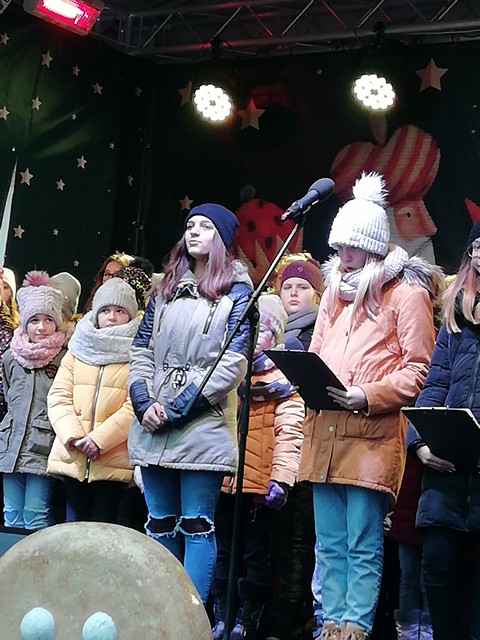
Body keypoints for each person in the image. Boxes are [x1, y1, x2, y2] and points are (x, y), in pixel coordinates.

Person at [297, 173, 444, 640]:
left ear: (374, 246)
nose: (344, 254)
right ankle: (330, 623)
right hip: (326, 433)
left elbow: (419, 369)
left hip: (370, 437)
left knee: (360, 543)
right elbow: (317, 352)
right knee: (328, 543)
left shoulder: (406, 293)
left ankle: (355, 627)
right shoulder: (333, 293)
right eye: (339, 245)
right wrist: (305, 377)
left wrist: (368, 395)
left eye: (354, 246)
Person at [128, 203, 253, 606]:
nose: (194, 231)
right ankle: (160, 613)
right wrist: (144, 402)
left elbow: (232, 363)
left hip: (202, 426)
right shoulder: (163, 291)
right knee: (159, 523)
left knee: (197, 524)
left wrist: (177, 408)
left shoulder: (238, 293)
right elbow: (141, 351)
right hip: (153, 425)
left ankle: (190, 618)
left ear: (224, 239)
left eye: (206, 226)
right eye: (190, 225)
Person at [211, 293, 305, 640]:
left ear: (275, 337)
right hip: (224, 481)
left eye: (263, 331)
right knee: (223, 550)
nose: (253, 338)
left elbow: (290, 432)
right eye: (247, 331)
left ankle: (248, 619)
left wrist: (281, 477)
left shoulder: (284, 382)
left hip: (259, 486)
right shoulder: (226, 375)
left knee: (256, 555)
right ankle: (222, 612)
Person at [406, 220, 480, 640]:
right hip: (447, 468)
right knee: (436, 562)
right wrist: (419, 442)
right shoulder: (455, 317)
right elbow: (434, 385)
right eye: (477, 247)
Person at [264, 256, 324, 640]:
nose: (294, 293)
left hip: (305, 447)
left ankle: (291, 616)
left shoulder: (319, 332)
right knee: (271, 539)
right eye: (287, 286)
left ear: (317, 293)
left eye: (303, 287)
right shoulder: (268, 329)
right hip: (267, 448)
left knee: (299, 538)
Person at [47, 278, 140, 524]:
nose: (112, 317)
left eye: (120, 311)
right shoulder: (78, 349)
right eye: (106, 310)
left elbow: (134, 405)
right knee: (73, 529)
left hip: (113, 458)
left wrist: (99, 440)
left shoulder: (138, 354)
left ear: (130, 315)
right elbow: (58, 396)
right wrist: (74, 436)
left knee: (103, 528)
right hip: (74, 455)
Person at [0, 271, 66, 530]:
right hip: (10, 445)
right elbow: (9, 395)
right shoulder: (11, 357)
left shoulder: (64, 358)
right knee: (11, 515)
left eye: (48, 319)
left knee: (35, 514)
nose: (41, 327)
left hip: (42, 446)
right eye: (34, 320)